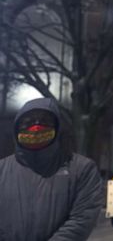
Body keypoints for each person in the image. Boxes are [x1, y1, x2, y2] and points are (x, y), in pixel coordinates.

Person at [0, 97, 103, 241]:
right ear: (16, 128)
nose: (36, 127)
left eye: (44, 121)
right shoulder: (2, 170)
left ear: (57, 127)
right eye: (28, 122)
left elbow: (82, 218)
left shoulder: (81, 169)